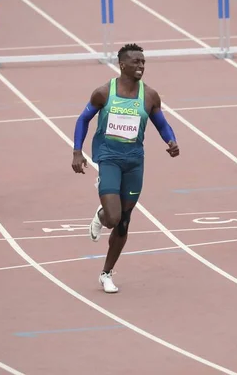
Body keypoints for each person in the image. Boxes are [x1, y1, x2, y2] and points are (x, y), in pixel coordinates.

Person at [71, 43, 180, 293]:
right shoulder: (104, 92)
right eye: (136, 62)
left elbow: (162, 124)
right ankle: (103, 214)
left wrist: (171, 141)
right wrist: (77, 151)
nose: (141, 66)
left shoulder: (149, 95)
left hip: (134, 161)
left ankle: (106, 273)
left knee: (123, 222)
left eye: (143, 62)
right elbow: (83, 119)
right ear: (122, 64)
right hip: (109, 158)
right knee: (113, 217)